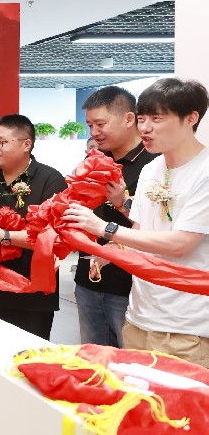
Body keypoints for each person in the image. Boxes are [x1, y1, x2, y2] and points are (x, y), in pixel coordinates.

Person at [64, 78, 209, 367]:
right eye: (142, 119)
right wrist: (111, 252)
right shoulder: (152, 168)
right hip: (139, 316)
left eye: (157, 119)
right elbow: (140, 232)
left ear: (191, 118)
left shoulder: (204, 171)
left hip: (186, 326)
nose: (145, 128)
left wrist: (104, 229)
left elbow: (181, 243)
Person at [0, 114, 67, 339]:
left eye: (2, 142)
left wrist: (4, 236)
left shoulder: (50, 180)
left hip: (33, 292)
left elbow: (54, 238)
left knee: (30, 353)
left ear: (26, 144)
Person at [72, 87, 156, 347]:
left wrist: (123, 203)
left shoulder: (154, 164)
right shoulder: (93, 161)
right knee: (92, 356)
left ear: (129, 119)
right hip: (87, 279)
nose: (94, 132)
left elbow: (158, 228)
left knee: (130, 360)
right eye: (90, 125)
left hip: (129, 286)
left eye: (100, 124)